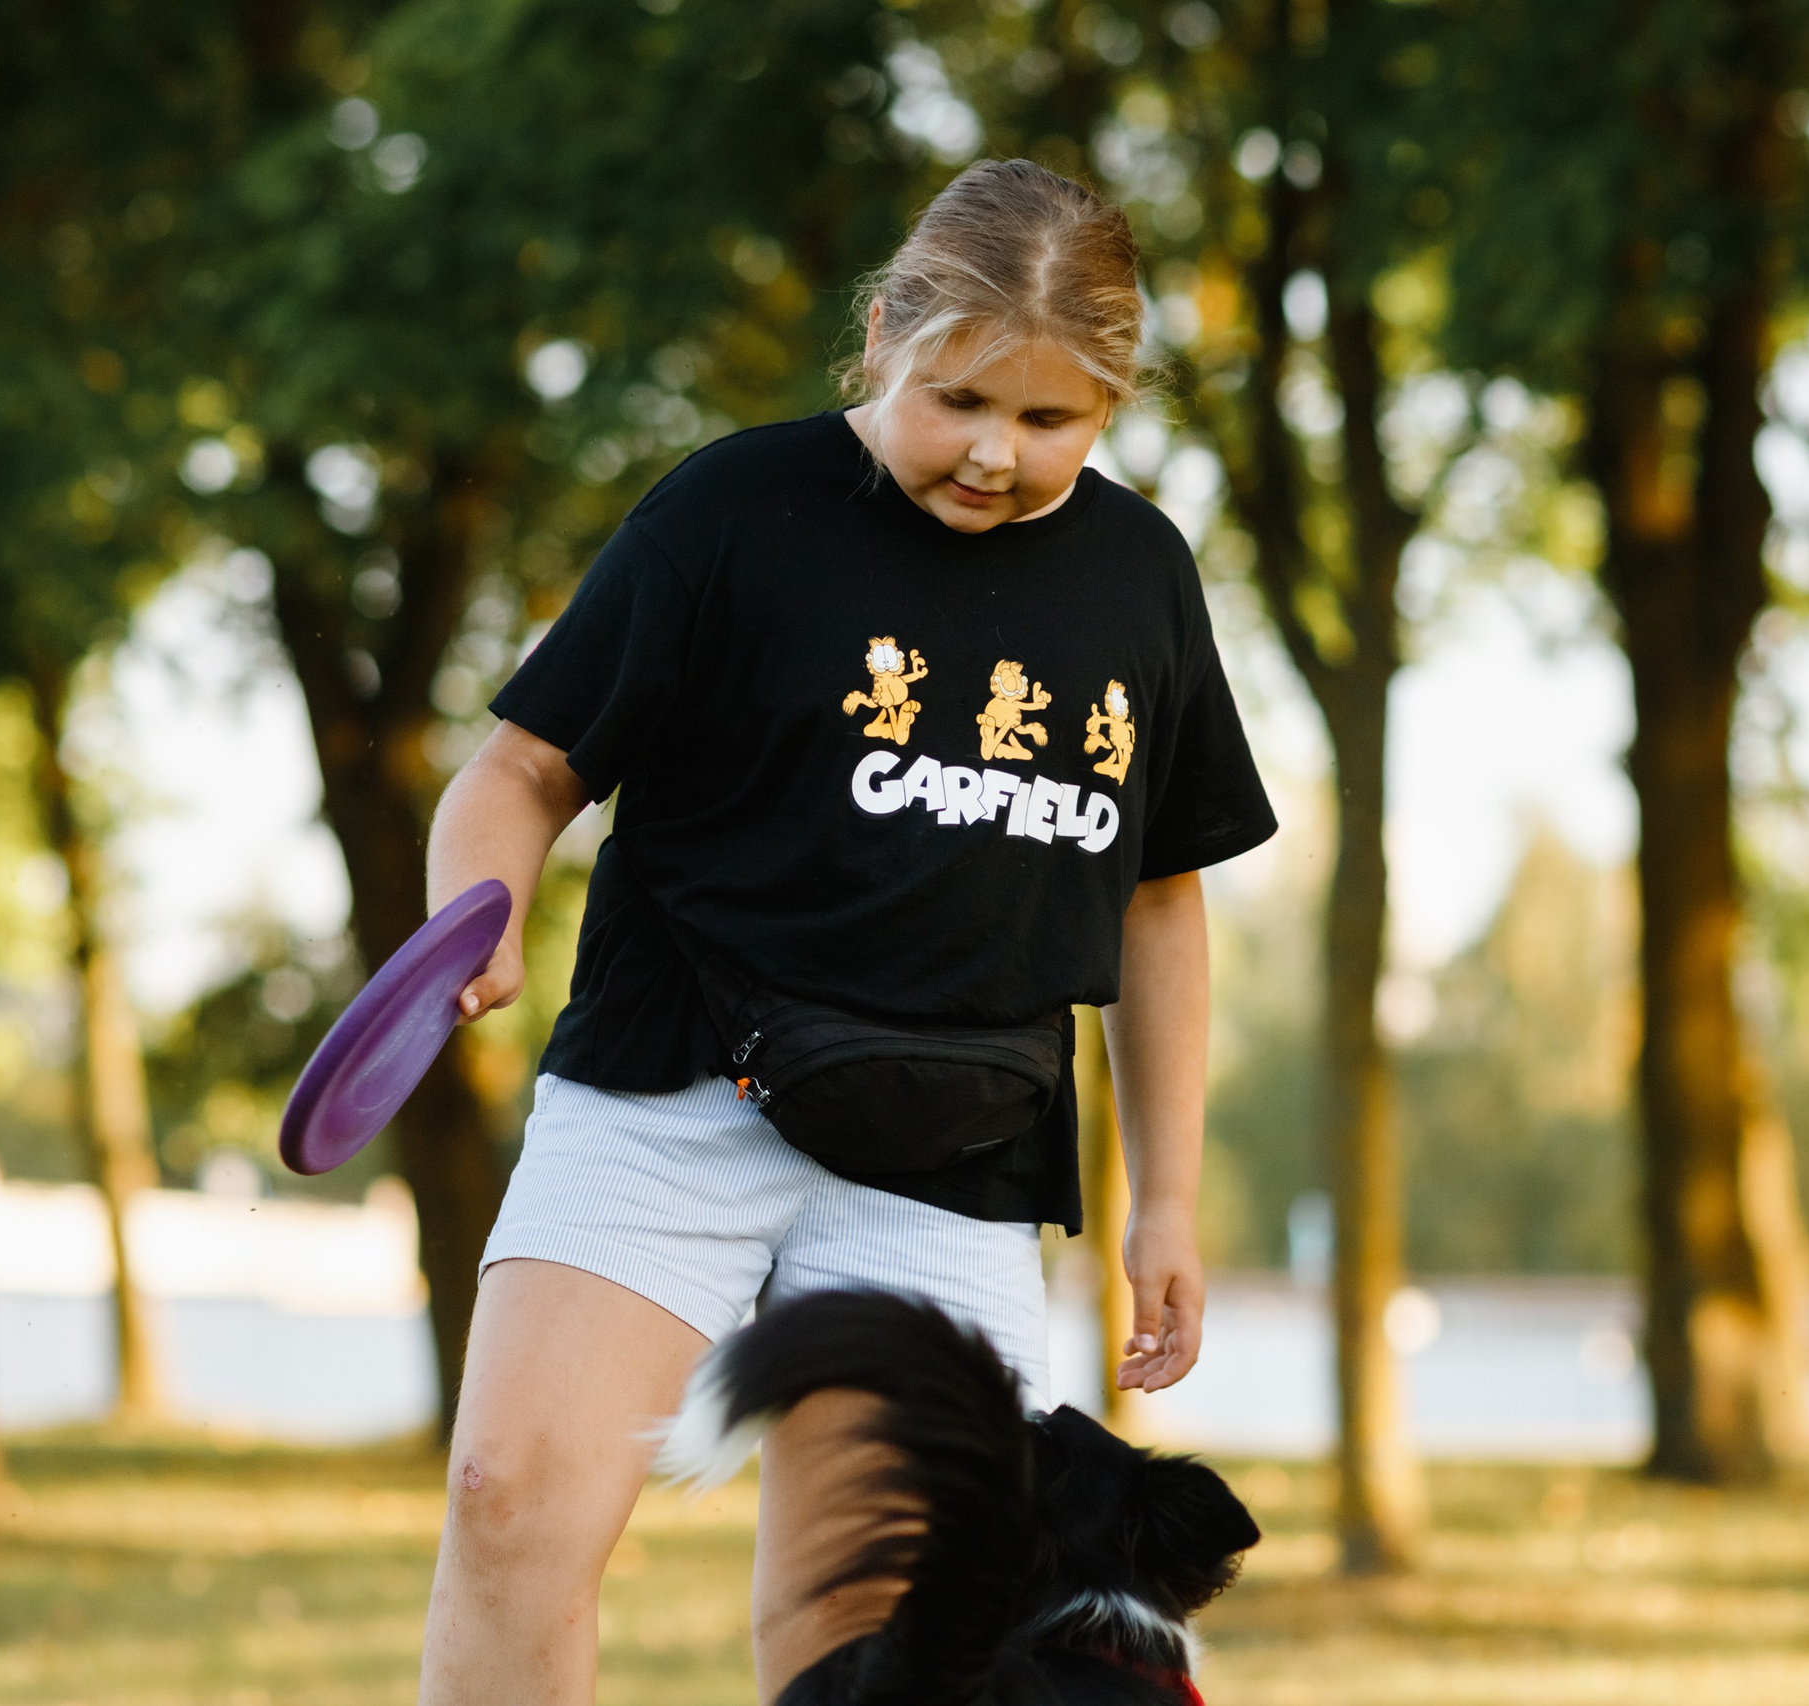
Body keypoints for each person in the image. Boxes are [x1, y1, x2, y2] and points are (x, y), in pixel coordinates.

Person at [416, 158, 1277, 1705]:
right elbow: (521, 772)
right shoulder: (732, 512)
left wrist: (1166, 1199)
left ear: (1114, 401)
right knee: (507, 1497)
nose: (996, 452)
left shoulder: (1140, 575)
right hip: (675, 1091)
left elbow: (1160, 897)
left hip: (958, 1150)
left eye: (1051, 418)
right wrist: (474, 914)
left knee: (890, 1622)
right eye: (959, 399)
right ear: (884, 334)